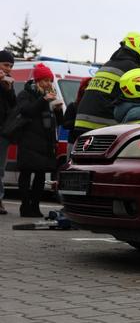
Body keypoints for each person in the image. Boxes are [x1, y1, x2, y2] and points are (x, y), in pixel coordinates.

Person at [74, 32, 140, 137]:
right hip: (102, 125)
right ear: (139, 51)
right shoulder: (131, 69)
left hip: (81, 123)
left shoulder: (107, 65)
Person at [16, 64, 63, 217]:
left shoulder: (49, 94)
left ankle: (35, 206)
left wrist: (58, 110)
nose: (48, 84)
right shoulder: (25, 93)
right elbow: (27, 111)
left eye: (50, 80)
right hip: (29, 140)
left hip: (46, 141)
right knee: (26, 173)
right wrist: (43, 100)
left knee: (41, 175)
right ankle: (25, 206)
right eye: (45, 80)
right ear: (37, 80)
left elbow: (59, 121)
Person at [0, 50, 17, 215]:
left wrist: (9, 89)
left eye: (11, 66)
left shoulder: (7, 84)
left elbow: (14, 108)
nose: (8, 69)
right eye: (5, 64)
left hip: (2, 132)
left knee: (0, 168)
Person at [62, 77, 91, 157]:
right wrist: (79, 122)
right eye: (87, 86)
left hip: (90, 143)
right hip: (74, 143)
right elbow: (65, 124)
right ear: (82, 88)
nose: (89, 88)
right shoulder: (73, 106)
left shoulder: (94, 107)